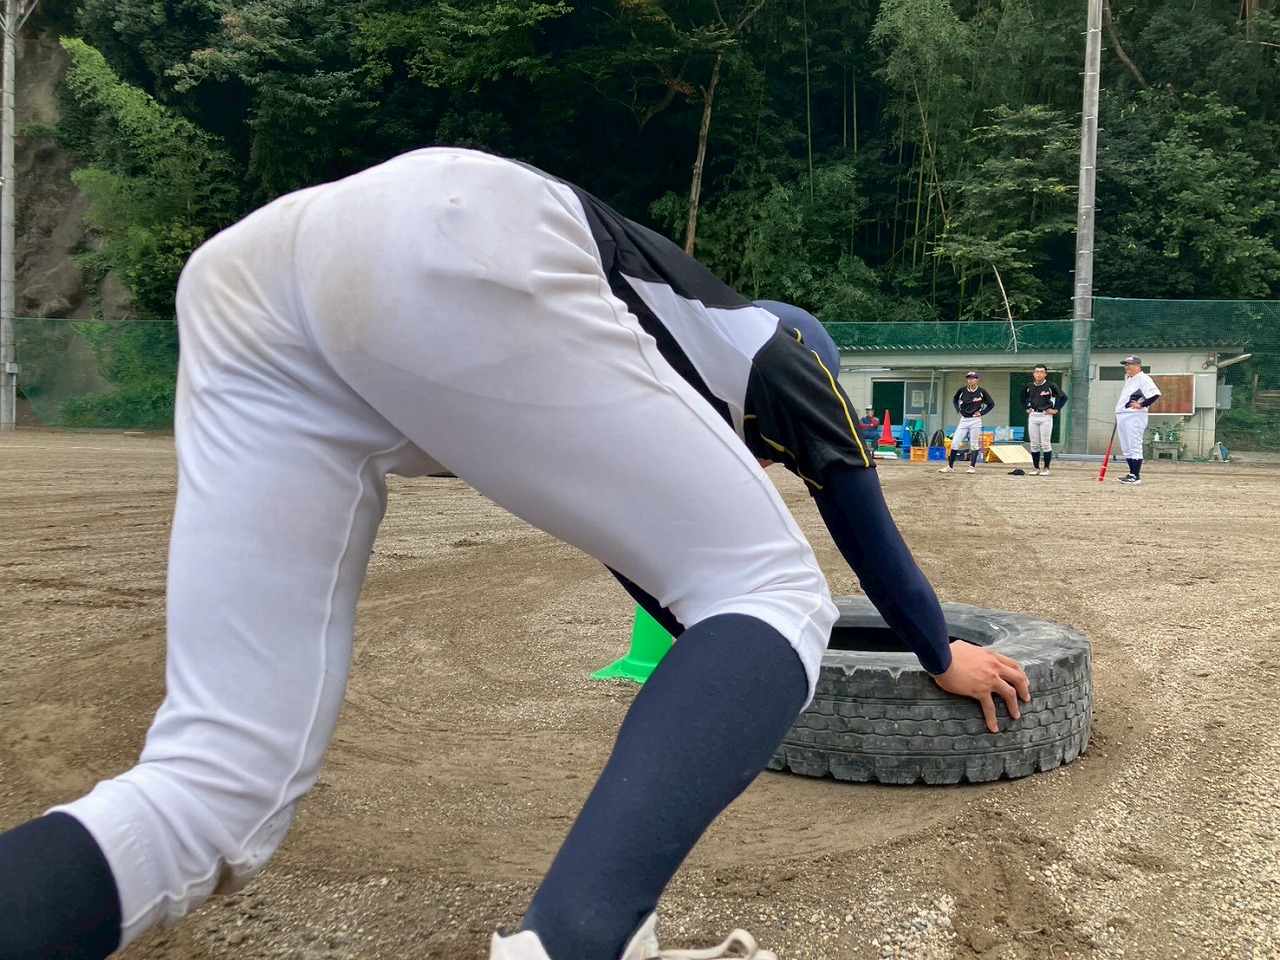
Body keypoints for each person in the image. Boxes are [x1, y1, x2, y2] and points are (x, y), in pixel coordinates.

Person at [0, 147, 1031, 960]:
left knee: (215, 788)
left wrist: (712, 668)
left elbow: (646, 557)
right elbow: (860, 526)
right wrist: (936, 651)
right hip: (452, 225)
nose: (766, 457)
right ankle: (569, 943)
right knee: (772, 589)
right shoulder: (787, 352)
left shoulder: (635, 358)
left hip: (249, 284)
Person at [1115, 355, 1161, 485]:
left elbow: (1155, 394)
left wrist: (1142, 404)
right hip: (1123, 415)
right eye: (1126, 364)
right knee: (1126, 447)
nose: (1127, 367)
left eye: (1130, 364)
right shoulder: (1130, 379)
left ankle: (1135, 476)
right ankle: (1131, 473)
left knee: (1134, 444)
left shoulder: (1143, 378)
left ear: (1138, 366)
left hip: (1134, 416)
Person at [940, 372, 995, 474]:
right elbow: (955, 399)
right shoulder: (962, 390)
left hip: (975, 420)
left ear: (977, 380)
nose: (970, 380)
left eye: (973, 378)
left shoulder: (981, 392)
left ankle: (972, 467)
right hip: (964, 420)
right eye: (969, 378)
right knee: (955, 443)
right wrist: (958, 410)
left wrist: (982, 413)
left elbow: (991, 404)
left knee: (974, 444)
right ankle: (950, 466)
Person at [1018, 364, 1069, 476]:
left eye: (1041, 372)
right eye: (1037, 372)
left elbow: (1064, 397)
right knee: (1034, 443)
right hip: (1033, 415)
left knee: (1045, 442)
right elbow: (1021, 399)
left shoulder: (1051, 386)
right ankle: (1036, 467)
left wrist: (1056, 409)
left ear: (1045, 374)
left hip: (1046, 415)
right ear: (1033, 373)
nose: (1039, 374)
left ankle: (1046, 468)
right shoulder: (1029, 386)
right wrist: (1026, 408)